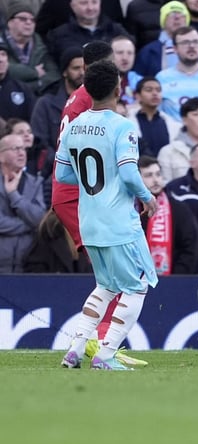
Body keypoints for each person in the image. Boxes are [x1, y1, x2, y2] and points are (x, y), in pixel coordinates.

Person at [56, 60, 159, 370]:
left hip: (89, 222)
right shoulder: (122, 126)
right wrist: (146, 196)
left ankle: (74, 349)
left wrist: (94, 183)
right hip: (118, 222)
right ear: (118, 89)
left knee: (106, 286)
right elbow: (128, 173)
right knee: (137, 285)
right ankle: (106, 352)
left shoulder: (74, 126)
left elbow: (63, 174)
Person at [138, 155, 198, 275]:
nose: (155, 180)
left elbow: (190, 247)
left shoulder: (179, 209)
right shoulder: (128, 209)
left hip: (172, 280)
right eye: (149, 175)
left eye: (158, 174)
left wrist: (176, 277)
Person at [0, 132, 45, 273]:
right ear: (1, 156)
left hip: (29, 264)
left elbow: (40, 219)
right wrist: (28, 225)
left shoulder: (36, 183)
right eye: (15, 149)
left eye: (23, 149)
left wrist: (14, 196)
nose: (21, 153)